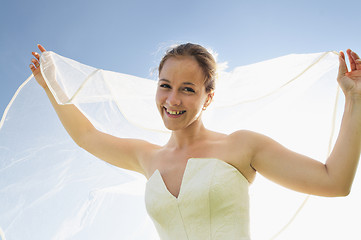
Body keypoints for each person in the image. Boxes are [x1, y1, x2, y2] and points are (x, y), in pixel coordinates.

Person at [29, 43, 361, 239]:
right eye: (165, 85)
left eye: (188, 89)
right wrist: (53, 88)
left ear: (208, 98)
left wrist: (355, 100)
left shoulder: (242, 146)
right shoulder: (148, 157)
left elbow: (334, 181)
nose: (172, 99)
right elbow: (88, 137)